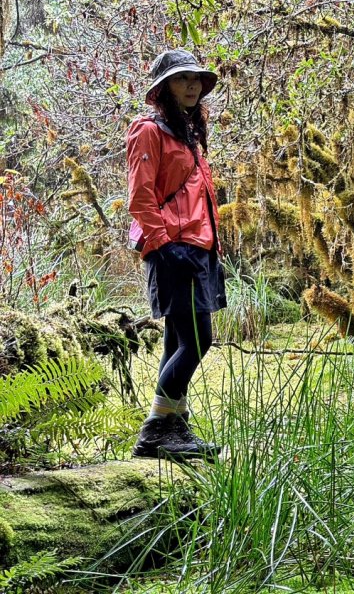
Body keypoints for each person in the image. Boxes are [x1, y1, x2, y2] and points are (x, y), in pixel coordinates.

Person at [126, 48, 227, 460]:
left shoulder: (186, 130)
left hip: (198, 246)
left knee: (177, 341)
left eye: (196, 79)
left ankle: (175, 428)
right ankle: (155, 431)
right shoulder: (148, 130)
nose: (191, 85)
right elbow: (140, 197)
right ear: (163, 87)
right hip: (173, 247)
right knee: (199, 339)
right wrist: (164, 246)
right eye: (181, 79)